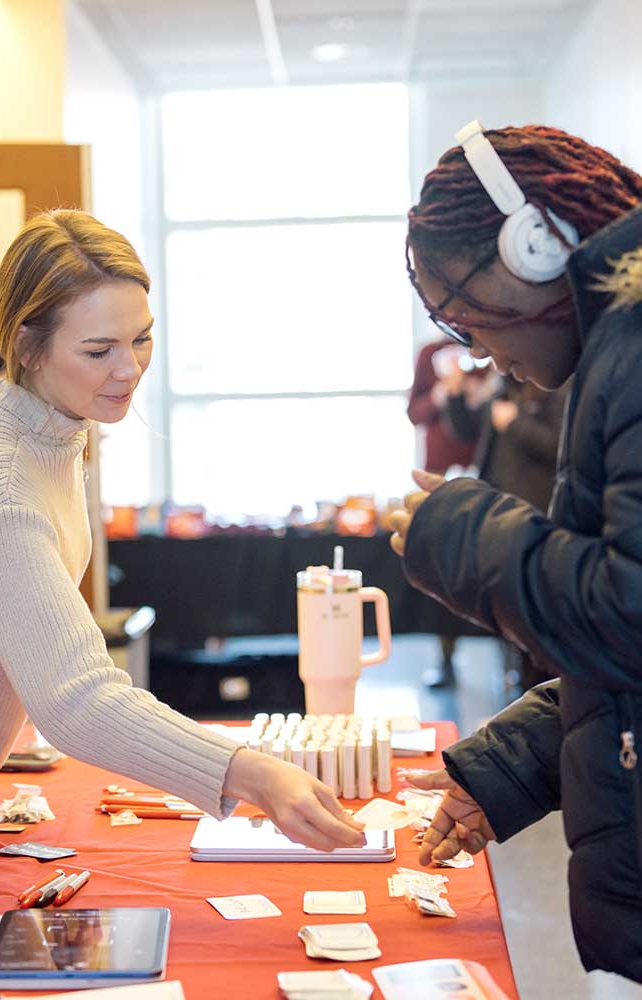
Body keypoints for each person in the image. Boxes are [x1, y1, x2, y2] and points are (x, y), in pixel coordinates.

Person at [0, 210, 364, 880]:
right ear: (27, 343)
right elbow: (76, 698)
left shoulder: (51, 424)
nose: (129, 369)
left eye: (142, 340)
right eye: (99, 351)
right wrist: (250, 772)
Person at [388, 122, 642, 982]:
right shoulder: (615, 352)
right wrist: (507, 771)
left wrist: (464, 535)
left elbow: (631, 611)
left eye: (467, 318)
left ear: (534, 246)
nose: (479, 351)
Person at [445, 370, 567, 690]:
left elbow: (562, 450)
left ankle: (535, 686)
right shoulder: (502, 386)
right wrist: (456, 395)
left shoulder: (559, 386)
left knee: (534, 612)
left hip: (536, 516)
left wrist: (515, 424)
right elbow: (466, 430)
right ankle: (517, 681)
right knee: (506, 606)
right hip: (498, 514)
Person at [406, 338, 482, 687]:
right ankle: (446, 657)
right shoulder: (430, 354)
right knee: (441, 563)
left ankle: (517, 660)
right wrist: (442, 393)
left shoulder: (487, 346)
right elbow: (414, 412)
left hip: (486, 471)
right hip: (438, 473)